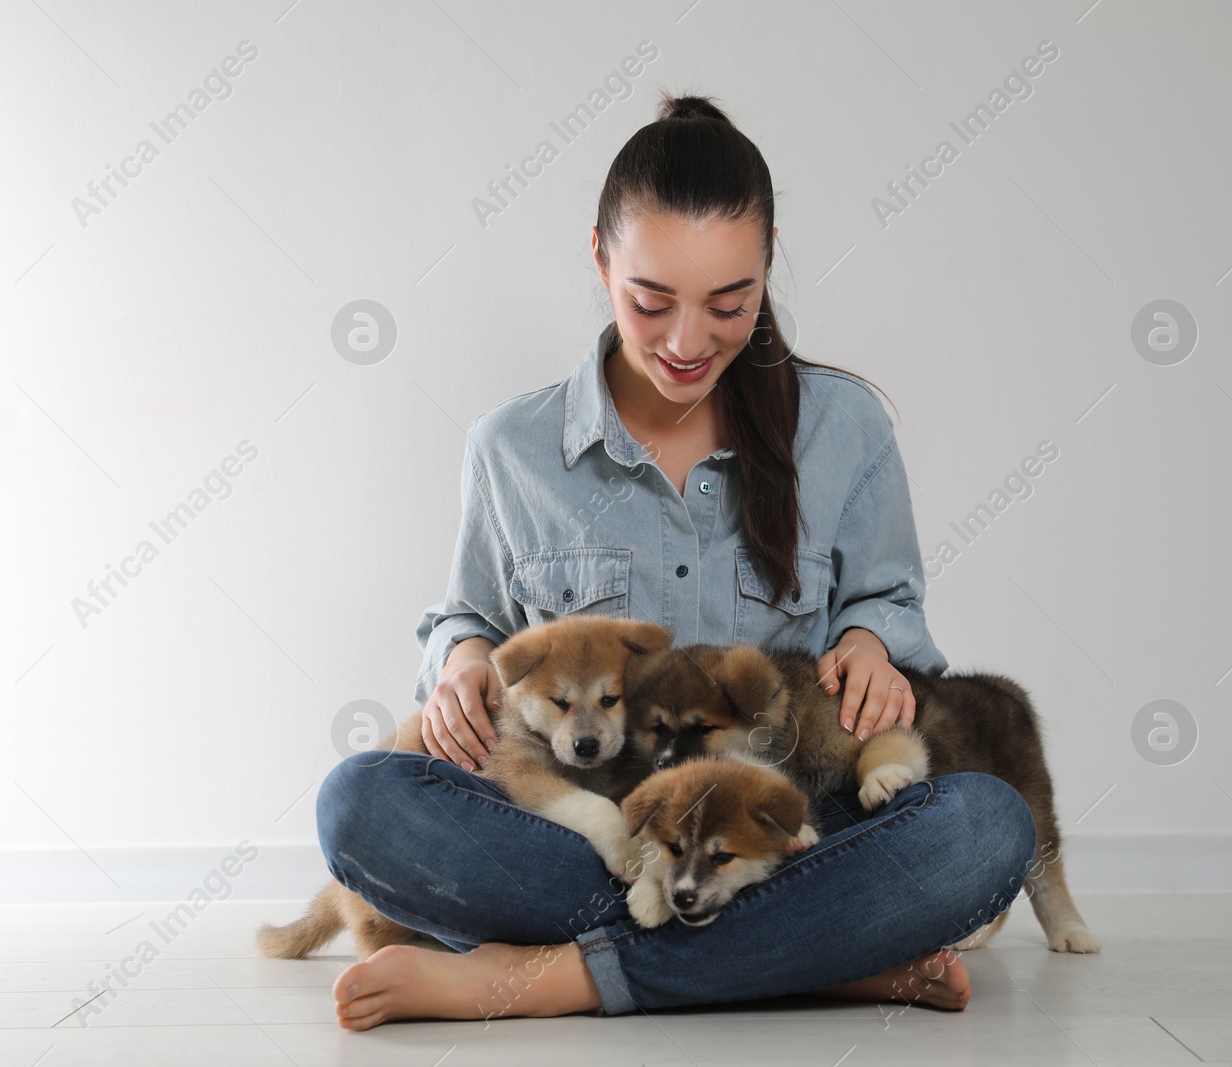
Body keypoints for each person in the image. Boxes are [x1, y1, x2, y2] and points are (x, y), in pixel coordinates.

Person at [317, 93, 1036, 1031]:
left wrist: (869, 640)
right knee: (360, 802)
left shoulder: (844, 428)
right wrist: (458, 661)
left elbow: (889, 608)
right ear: (600, 260)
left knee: (986, 827)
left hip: (782, 828)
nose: (688, 343)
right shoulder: (511, 449)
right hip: (596, 836)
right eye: (650, 303)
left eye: (728, 304)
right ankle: (810, 959)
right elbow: (472, 622)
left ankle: (553, 977)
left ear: (768, 265)